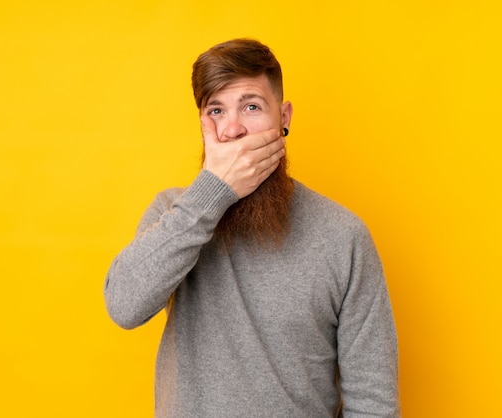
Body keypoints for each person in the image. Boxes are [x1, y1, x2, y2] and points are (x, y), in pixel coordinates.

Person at [104, 38, 400, 417]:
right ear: (202, 125)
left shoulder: (343, 237)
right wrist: (210, 194)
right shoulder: (174, 213)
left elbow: (374, 401)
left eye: (251, 106)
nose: (232, 129)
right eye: (216, 110)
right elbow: (124, 306)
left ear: (284, 117)